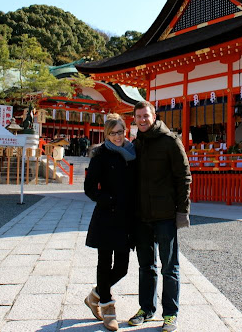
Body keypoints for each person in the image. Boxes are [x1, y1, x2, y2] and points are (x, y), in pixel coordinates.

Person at [128, 101, 191, 332]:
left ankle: (171, 313)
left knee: (169, 266)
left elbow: (184, 177)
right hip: (142, 215)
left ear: (154, 116)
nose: (142, 120)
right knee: (146, 265)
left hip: (164, 214)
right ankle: (146, 308)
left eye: (146, 116)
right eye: (138, 117)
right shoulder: (136, 145)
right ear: (134, 119)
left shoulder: (170, 142)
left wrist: (182, 210)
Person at [83, 114, 136, 331]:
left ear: (126, 131)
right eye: (112, 133)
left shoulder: (133, 153)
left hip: (126, 217)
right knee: (104, 263)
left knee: (122, 267)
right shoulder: (100, 155)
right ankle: (107, 306)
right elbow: (89, 187)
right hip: (107, 215)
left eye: (120, 132)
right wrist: (108, 199)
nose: (117, 136)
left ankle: (94, 295)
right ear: (107, 134)